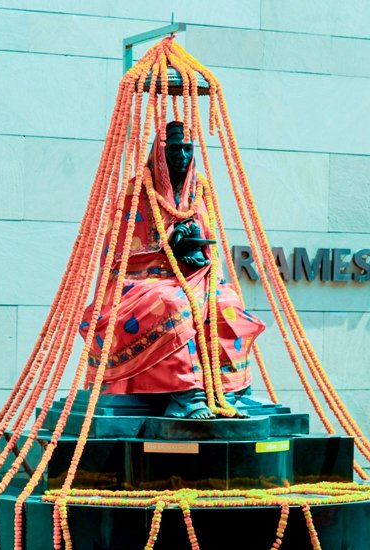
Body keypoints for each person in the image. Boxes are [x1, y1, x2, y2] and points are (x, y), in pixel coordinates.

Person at [79, 121, 265, 419]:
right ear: (159, 153)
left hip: (194, 276)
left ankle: (226, 391)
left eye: (188, 149)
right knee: (172, 303)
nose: (182, 156)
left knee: (226, 302)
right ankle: (186, 396)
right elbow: (120, 255)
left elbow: (210, 245)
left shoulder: (199, 189)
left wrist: (196, 253)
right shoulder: (136, 192)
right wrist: (169, 245)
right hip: (141, 281)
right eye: (175, 149)